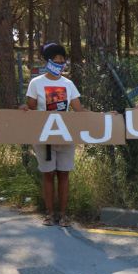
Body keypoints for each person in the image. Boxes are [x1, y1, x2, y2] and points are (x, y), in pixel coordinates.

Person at [21, 43, 85, 227]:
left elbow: (79, 109)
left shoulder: (68, 84)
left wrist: (103, 117)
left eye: (62, 61)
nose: (60, 64)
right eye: (56, 61)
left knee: (64, 174)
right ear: (47, 62)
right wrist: (24, 108)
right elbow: (31, 107)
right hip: (43, 137)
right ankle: (50, 214)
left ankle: (63, 215)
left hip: (65, 136)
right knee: (48, 175)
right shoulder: (36, 83)